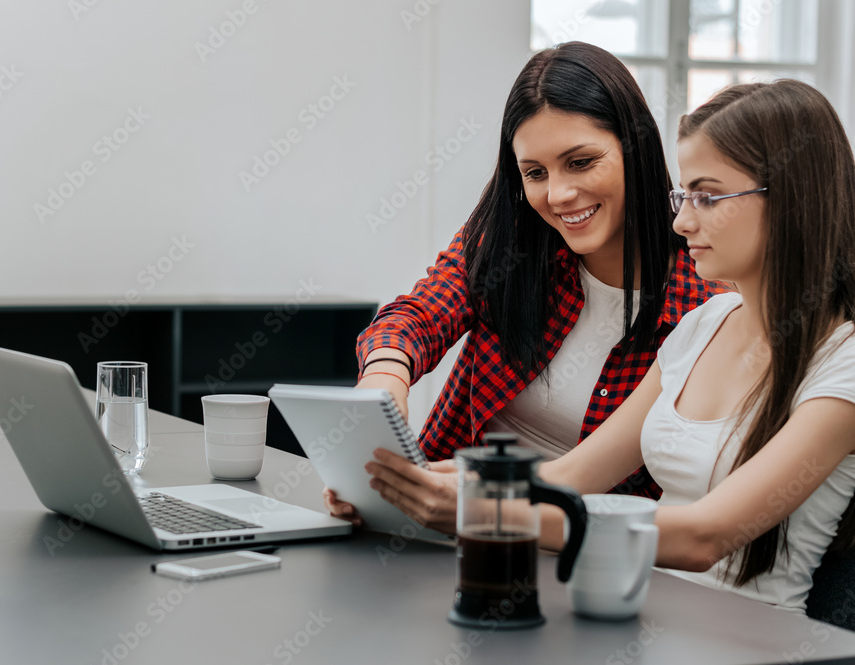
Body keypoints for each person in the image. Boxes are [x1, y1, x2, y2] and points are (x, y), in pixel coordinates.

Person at [369, 78, 855, 613]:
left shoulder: (842, 361)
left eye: (709, 197)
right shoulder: (704, 325)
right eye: (685, 195)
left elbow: (702, 538)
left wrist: (489, 512)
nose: (683, 220)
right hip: (640, 611)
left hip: (747, 639)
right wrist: (411, 485)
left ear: (791, 198)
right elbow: (571, 475)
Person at [325, 41, 722, 530]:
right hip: (445, 525)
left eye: (579, 162)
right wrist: (383, 380)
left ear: (634, 147)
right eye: (535, 173)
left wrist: (490, 502)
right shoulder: (512, 242)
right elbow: (417, 315)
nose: (557, 195)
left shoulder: (704, 301)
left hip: (577, 546)